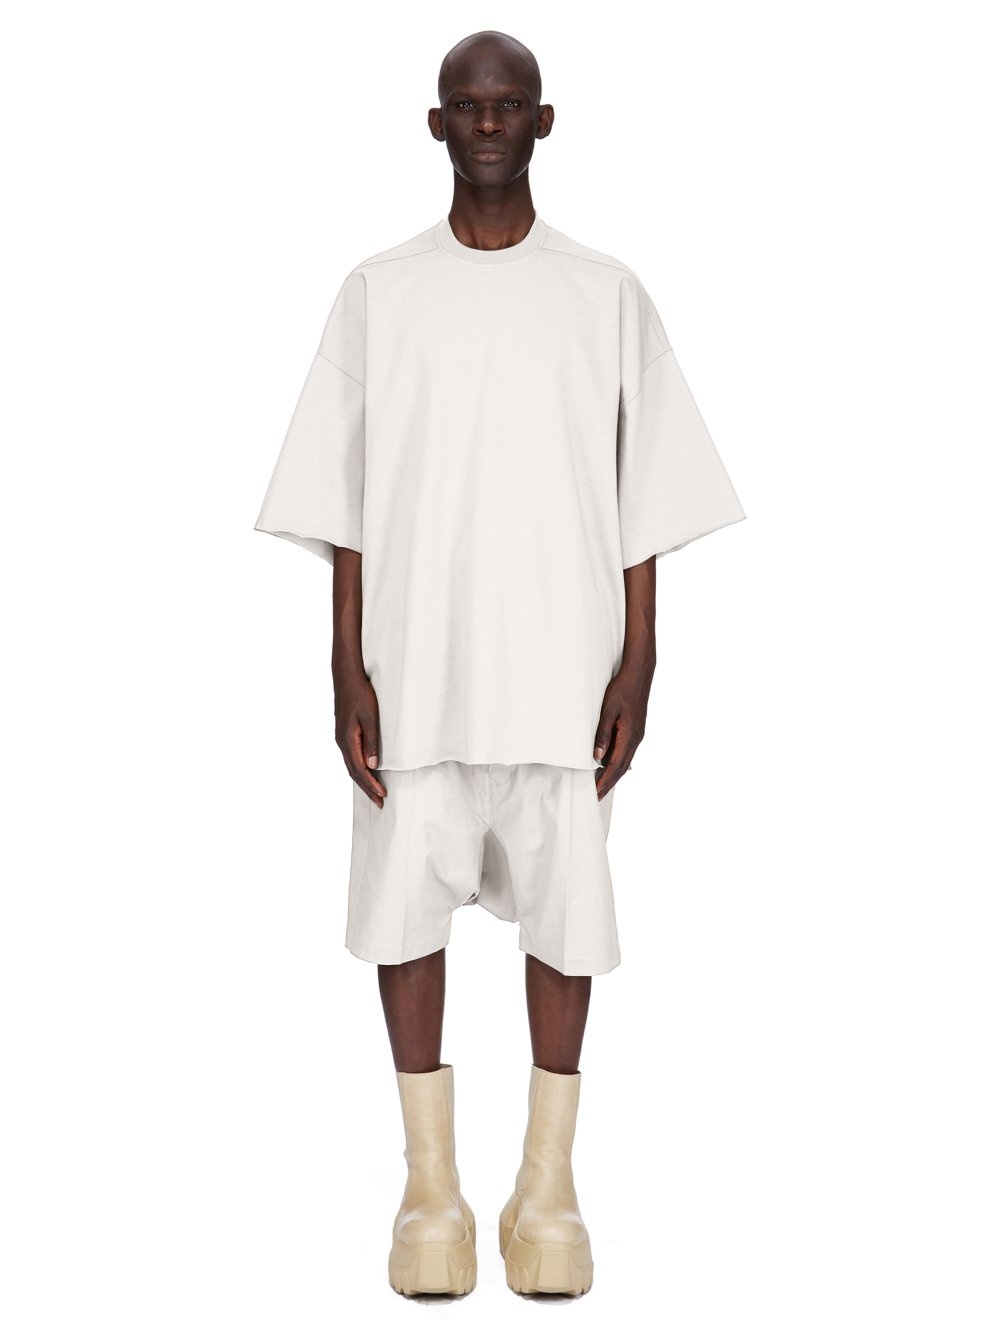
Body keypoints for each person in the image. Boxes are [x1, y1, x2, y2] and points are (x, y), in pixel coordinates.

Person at [254, 29, 746, 1300]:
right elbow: (343, 497)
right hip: (414, 657)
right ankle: (430, 1192)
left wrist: (640, 658)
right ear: (435, 124)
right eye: (466, 105)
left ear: (542, 121)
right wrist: (343, 663)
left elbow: (647, 488)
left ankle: (547, 1190)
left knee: (567, 915)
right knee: (404, 911)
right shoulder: (379, 291)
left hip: (562, 659)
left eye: (507, 103)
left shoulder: (605, 293)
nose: (486, 123)